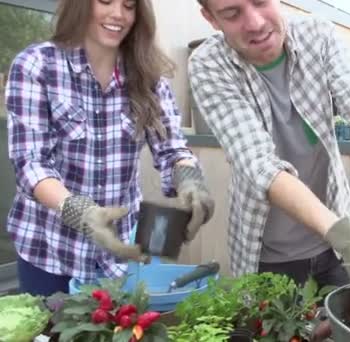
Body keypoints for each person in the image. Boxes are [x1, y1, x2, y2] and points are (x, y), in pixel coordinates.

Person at [5, 0, 214, 296]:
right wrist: (79, 211)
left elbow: (172, 149)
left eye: (129, 5)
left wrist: (190, 181)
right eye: (105, 1)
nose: (118, 14)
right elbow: (31, 162)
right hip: (50, 251)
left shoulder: (148, 77)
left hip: (118, 257)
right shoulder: (37, 65)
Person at [189, 0, 350, 289]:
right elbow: (260, 165)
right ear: (211, 18)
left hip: (334, 251)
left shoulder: (318, 36)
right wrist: (345, 237)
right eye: (232, 13)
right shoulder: (209, 64)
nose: (255, 23)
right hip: (267, 256)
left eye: (260, 2)